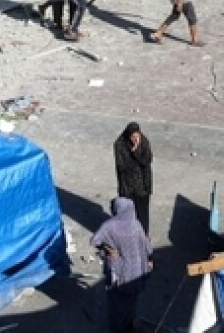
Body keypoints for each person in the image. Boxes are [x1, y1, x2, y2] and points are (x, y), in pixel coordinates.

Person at [90, 197, 153, 333]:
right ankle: (129, 326)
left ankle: (118, 329)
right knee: (131, 303)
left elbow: (94, 241)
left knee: (116, 305)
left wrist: (108, 249)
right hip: (137, 274)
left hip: (119, 272)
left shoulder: (109, 226)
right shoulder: (136, 224)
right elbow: (148, 248)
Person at [113, 122, 154, 237]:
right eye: (133, 136)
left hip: (142, 186)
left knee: (143, 213)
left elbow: (147, 160)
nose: (135, 139)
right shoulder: (120, 144)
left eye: (137, 135)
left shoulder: (144, 142)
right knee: (127, 213)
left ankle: (144, 236)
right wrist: (134, 156)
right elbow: (122, 166)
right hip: (127, 186)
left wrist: (136, 151)